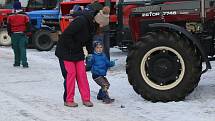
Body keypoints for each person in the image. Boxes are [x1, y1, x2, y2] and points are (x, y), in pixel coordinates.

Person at [55, 8, 110, 107]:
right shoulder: (81, 21)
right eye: (101, 24)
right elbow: (66, 35)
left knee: (82, 75)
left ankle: (86, 99)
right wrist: (74, 47)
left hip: (77, 51)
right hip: (65, 51)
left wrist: (90, 53)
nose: (101, 27)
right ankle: (68, 100)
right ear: (97, 20)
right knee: (71, 74)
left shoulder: (93, 26)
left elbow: (89, 41)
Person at [7, 1, 30, 68]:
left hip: (14, 35)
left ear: (14, 8)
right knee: (22, 49)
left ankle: (17, 63)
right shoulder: (25, 15)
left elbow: (8, 26)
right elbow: (28, 25)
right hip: (22, 34)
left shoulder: (10, 16)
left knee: (16, 49)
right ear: (20, 7)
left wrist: (10, 33)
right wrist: (27, 33)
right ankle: (24, 63)